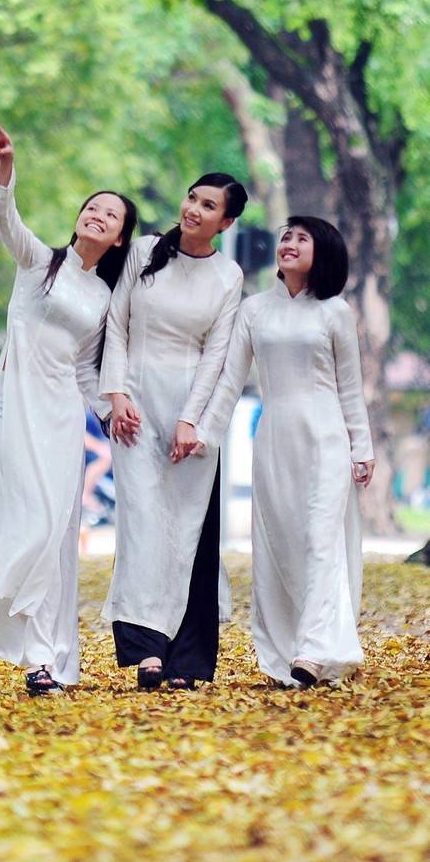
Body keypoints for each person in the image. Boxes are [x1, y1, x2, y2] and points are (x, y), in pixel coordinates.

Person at [0, 118, 138, 695]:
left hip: (63, 416)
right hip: (15, 409)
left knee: (58, 535)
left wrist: (112, 412)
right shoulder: (40, 261)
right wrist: (5, 169)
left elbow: (88, 368)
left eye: (110, 215)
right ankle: (34, 650)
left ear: (118, 239)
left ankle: (49, 660)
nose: (97, 215)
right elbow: (4, 220)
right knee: (32, 526)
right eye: (93, 207)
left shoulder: (105, 296)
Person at [196, 216, 375, 688]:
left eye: (302, 238)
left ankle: (315, 649)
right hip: (274, 440)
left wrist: (363, 448)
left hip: (326, 439)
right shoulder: (253, 310)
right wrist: (203, 432)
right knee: (277, 544)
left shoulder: (335, 312)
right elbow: (231, 380)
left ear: (324, 253)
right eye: (285, 237)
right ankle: (281, 651)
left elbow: (350, 389)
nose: (289, 244)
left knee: (320, 540)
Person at [100, 173, 248, 690]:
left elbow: (218, 356)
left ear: (226, 222)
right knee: (142, 526)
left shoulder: (228, 277)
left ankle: (187, 659)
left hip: (191, 413)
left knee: (189, 533)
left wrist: (193, 420)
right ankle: (146, 651)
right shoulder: (143, 252)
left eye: (208, 206)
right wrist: (116, 394)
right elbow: (116, 324)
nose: (193, 209)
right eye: (192, 197)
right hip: (135, 410)